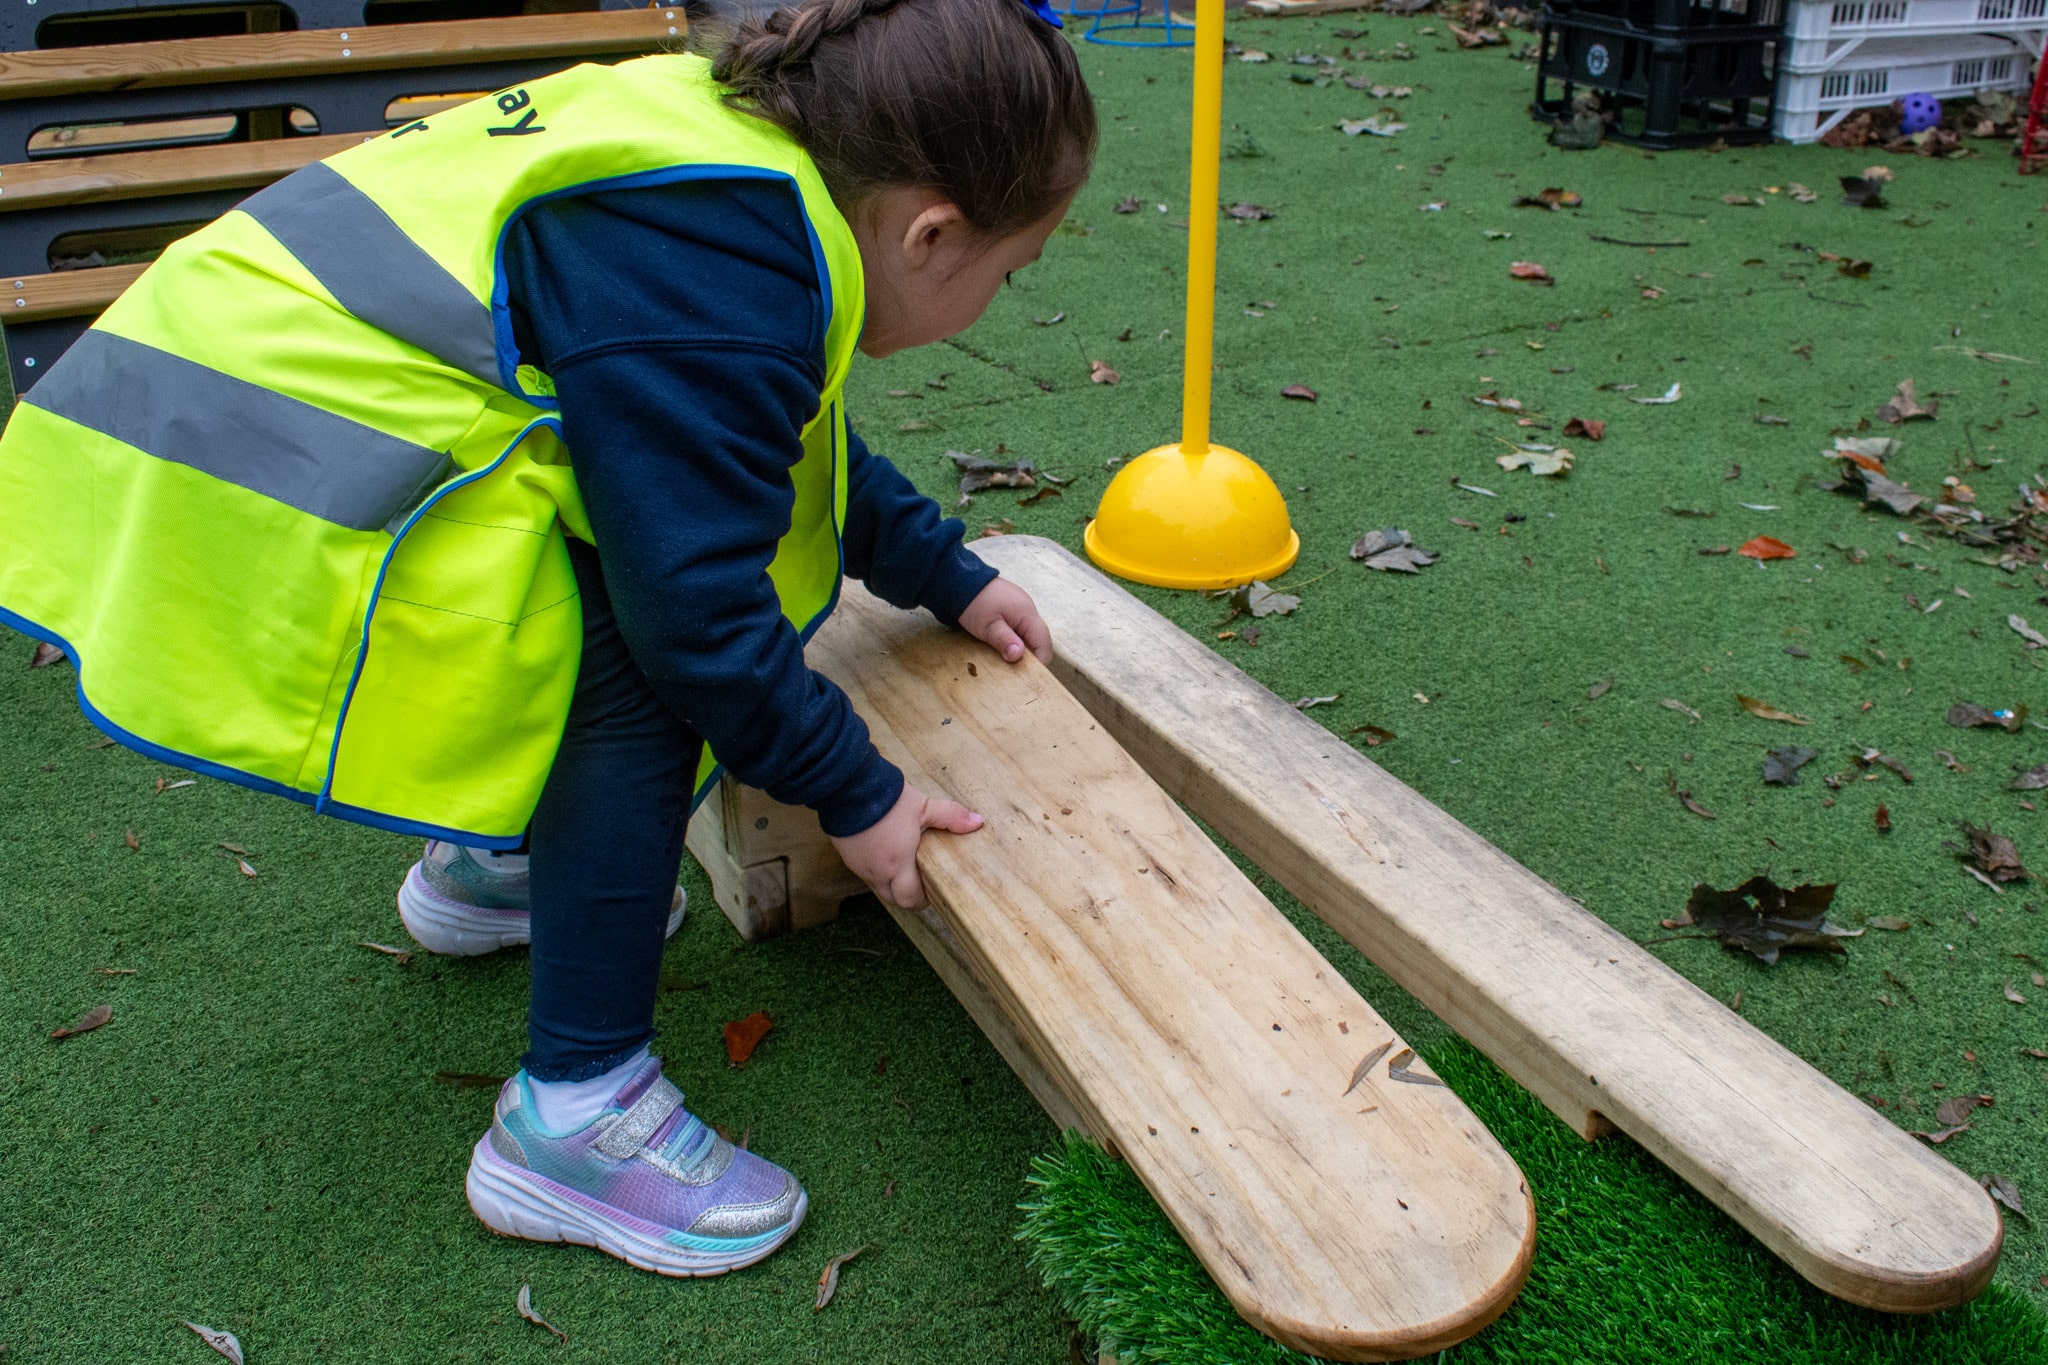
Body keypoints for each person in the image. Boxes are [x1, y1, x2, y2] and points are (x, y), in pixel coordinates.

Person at [0, 0, 1095, 1278]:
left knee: (611, 577)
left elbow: (761, 442)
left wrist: (937, 570)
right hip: (250, 459)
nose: (999, 297)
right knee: (633, 670)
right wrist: (861, 794)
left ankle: (494, 871)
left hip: (243, 395)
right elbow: (697, 616)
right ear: (931, 230)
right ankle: (571, 1117)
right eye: (1008, 270)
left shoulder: (748, 179)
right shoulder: (724, 261)